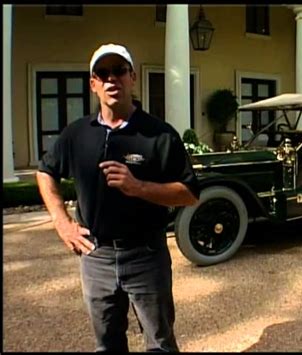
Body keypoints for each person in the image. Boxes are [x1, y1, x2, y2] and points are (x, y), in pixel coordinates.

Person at [36, 43, 200, 352]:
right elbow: (45, 172)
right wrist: (62, 223)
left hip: (146, 256)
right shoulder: (77, 134)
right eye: (103, 73)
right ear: (93, 84)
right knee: (107, 344)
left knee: (160, 343)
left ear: (133, 77)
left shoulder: (160, 134)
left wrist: (138, 186)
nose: (112, 79)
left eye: (120, 71)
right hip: (95, 256)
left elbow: (190, 194)